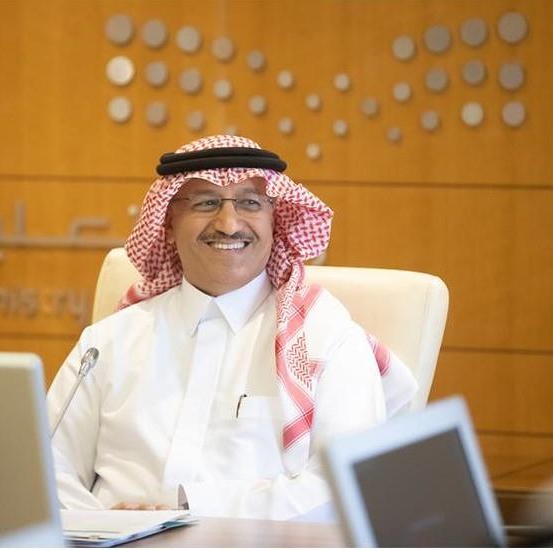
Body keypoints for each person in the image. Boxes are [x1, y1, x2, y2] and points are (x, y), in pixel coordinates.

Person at [46, 134, 417, 519]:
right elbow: (47, 468)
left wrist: (186, 513)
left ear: (275, 220)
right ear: (168, 223)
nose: (228, 224)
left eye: (250, 203)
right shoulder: (109, 341)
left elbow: (341, 487)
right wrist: (104, 528)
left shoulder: (325, 338)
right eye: (205, 202)